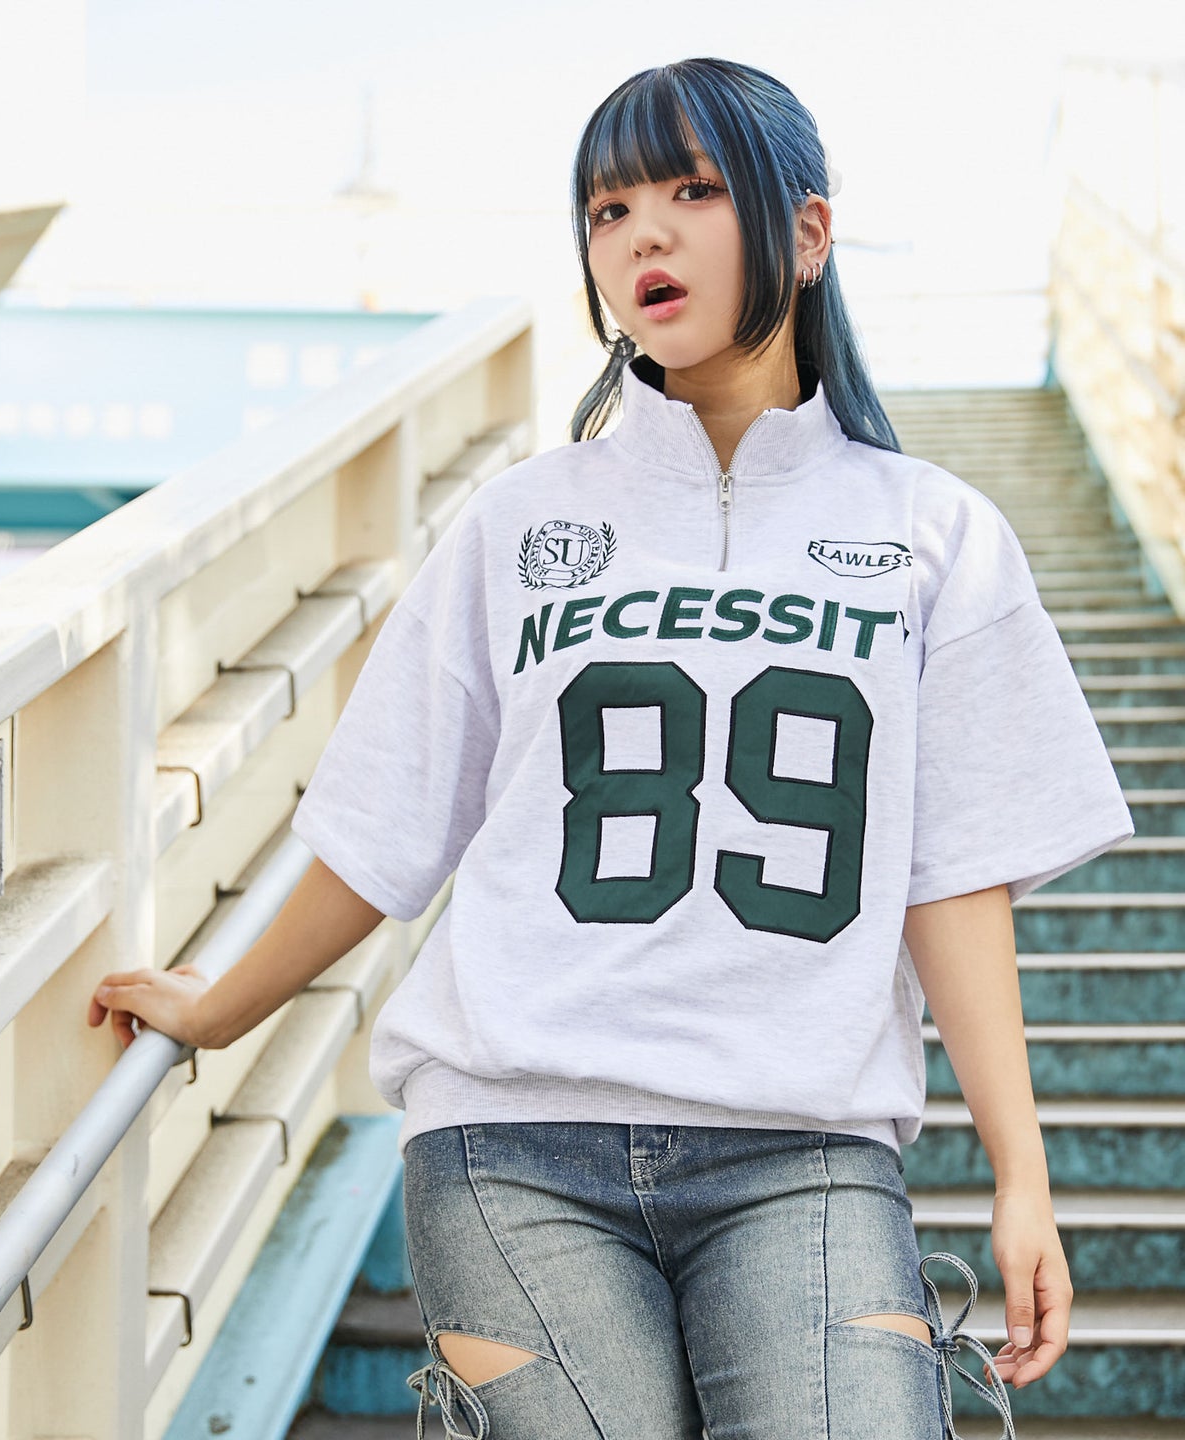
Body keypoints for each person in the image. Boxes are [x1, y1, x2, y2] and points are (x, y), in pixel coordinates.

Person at [89, 57, 1134, 1440]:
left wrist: (1021, 1173)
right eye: (608, 209)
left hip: (804, 1149)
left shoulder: (934, 536)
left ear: (808, 232)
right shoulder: (516, 526)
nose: (644, 235)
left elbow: (954, 875)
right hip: (510, 1140)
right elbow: (389, 828)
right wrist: (219, 1009)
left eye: (692, 192)